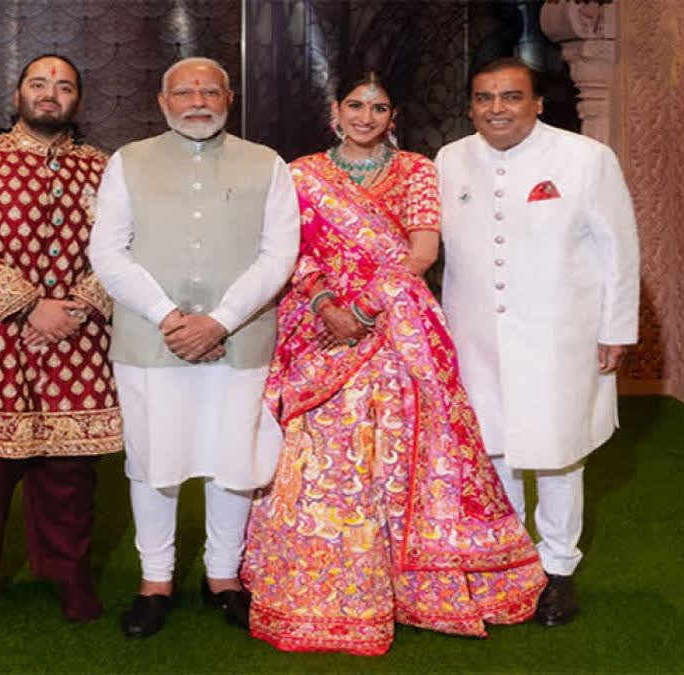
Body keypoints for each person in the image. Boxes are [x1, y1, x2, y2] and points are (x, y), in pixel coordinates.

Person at [239, 70, 546, 656]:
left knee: (404, 451)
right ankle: (322, 591)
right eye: (355, 105)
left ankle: (411, 589)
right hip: (317, 325)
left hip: (398, 326)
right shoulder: (300, 174)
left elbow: (423, 250)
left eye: (377, 108)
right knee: (323, 452)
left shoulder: (416, 171)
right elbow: (288, 252)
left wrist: (366, 305)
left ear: (392, 116)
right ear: (335, 108)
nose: (364, 117)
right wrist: (328, 301)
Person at [89, 56, 299, 638]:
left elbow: (278, 254)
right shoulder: (128, 161)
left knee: (233, 458)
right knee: (155, 460)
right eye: (185, 92)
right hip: (152, 338)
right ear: (163, 102)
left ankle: (223, 576)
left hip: (240, 338)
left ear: (229, 98)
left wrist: (222, 321)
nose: (198, 101)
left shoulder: (268, 164)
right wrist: (170, 316)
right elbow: (107, 252)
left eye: (210, 90)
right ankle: (155, 581)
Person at [435, 56, 640, 627]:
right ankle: (510, 560)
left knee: (556, 453)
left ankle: (557, 571)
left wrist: (617, 328)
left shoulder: (585, 158)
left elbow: (620, 248)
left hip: (560, 334)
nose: (496, 109)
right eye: (484, 98)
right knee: (494, 447)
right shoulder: (450, 160)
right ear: (471, 105)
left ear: (537, 103)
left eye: (510, 97)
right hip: (474, 332)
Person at [0, 54, 121, 623]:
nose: (50, 94)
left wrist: (81, 306)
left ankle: (69, 575)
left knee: (69, 472)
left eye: (63, 86)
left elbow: (124, 245)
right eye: (39, 84)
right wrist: (28, 306)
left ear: (77, 100)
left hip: (77, 334)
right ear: (18, 93)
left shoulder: (105, 169)